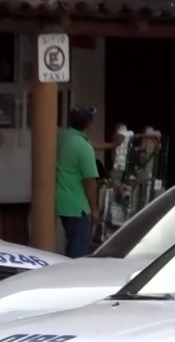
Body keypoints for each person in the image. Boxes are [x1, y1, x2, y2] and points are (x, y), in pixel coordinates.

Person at [55, 105, 100, 258]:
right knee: (77, 252)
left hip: (61, 203)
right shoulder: (84, 147)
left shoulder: (61, 137)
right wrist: (94, 210)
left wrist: (113, 145)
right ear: (89, 124)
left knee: (70, 246)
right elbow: (90, 182)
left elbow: (92, 144)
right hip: (78, 207)